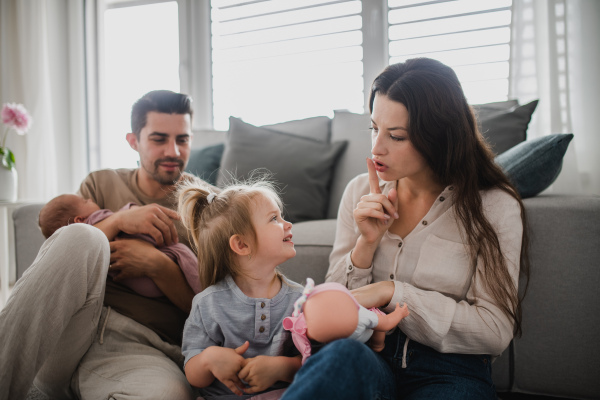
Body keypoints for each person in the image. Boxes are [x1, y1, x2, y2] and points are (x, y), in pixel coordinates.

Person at [280, 58, 530, 400]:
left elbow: (494, 329)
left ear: (439, 137)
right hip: (367, 354)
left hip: (450, 371)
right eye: (374, 128)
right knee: (338, 360)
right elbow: (334, 312)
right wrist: (365, 246)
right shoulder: (359, 192)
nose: (376, 148)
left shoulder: (494, 207)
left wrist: (392, 292)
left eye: (396, 136)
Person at [0, 90, 208, 400]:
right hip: (72, 326)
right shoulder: (99, 183)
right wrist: (119, 222)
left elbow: (217, 311)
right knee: (82, 235)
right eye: (159, 139)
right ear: (133, 141)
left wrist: (158, 266)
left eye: (183, 139)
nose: (173, 151)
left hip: (143, 349)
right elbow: (65, 251)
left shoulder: (208, 206)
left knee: (170, 395)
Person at [178, 180, 304, 399]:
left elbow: (318, 361)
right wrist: (209, 359)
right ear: (242, 245)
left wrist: (281, 368)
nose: (288, 224)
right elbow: (193, 375)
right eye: (274, 218)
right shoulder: (208, 303)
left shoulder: (301, 299)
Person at [38, 194, 201, 297]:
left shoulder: (89, 242)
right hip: (150, 276)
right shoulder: (95, 218)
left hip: (139, 285)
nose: (91, 199)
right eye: (85, 200)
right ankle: (203, 289)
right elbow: (123, 216)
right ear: (79, 220)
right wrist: (130, 211)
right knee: (181, 252)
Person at [282, 277, 409, 363]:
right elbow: (386, 323)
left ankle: (376, 346)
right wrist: (399, 313)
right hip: (361, 336)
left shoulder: (363, 315)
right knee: (379, 326)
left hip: (358, 336)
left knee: (377, 329)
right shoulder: (361, 314)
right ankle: (377, 346)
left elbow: (385, 323)